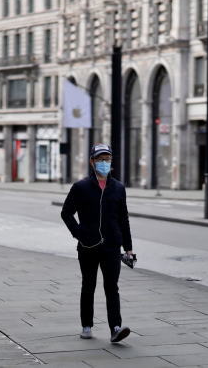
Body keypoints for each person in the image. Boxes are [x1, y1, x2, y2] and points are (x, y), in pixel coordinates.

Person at [61, 143, 133, 343]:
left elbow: (123, 219)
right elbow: (66, 213)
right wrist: (79, 234)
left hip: (111, 246)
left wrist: (128, 247)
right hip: (88, 247)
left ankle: (116, 328)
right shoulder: (80, 187)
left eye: (107, 159)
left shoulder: (118, 188)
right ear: (92, 162)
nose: (104, 163)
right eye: (100, 159)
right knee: (88, 285)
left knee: (112, 287)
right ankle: (86, 325)